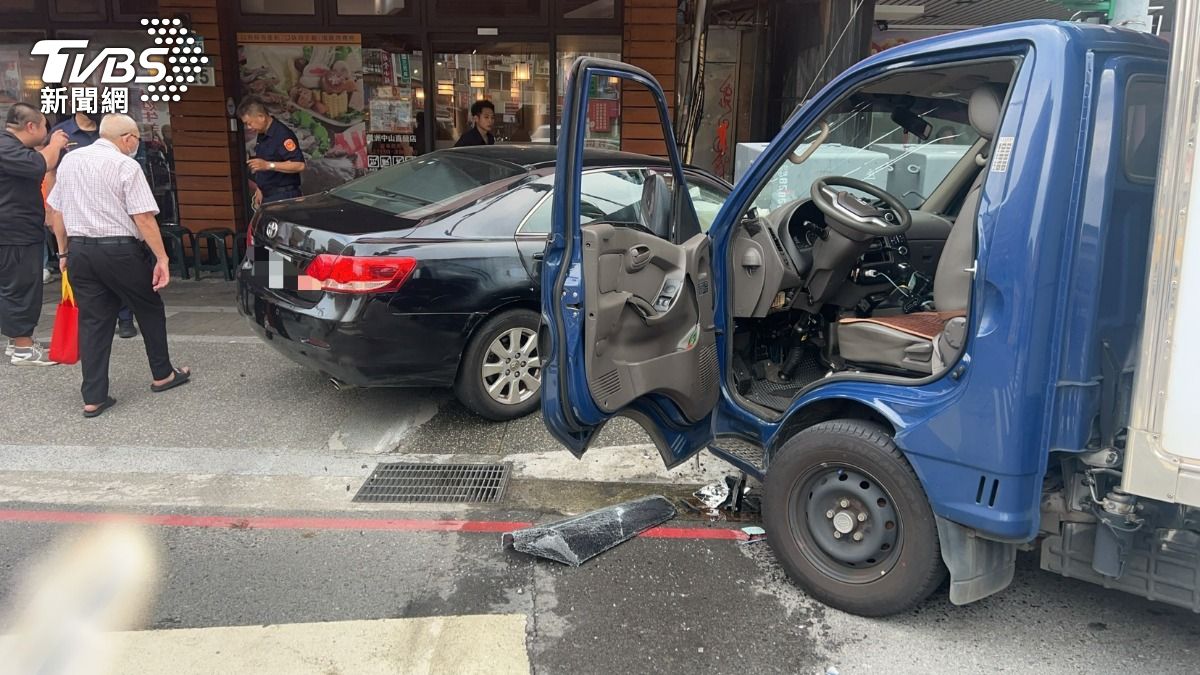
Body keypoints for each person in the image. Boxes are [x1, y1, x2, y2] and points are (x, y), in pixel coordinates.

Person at [47, 114, 191, 417]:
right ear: (128, 138)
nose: (136, 144)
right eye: (136, 138)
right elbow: (143, 217)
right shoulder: (126, 165)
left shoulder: (70, 160)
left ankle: (93, 396)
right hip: (120, 251)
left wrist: (62, 253)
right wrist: (162, 258)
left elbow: (56, 212)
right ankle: (163, 373)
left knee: (94, 322)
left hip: (80, 250)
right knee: (148, 307)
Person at [47, 109, 139, 339]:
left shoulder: (110, 130)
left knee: (121, 280)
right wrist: (61, 247)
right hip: (82, 225)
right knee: (95, 299)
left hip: (115, 225)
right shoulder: (62, 134)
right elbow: (51, 175)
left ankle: (125, 319)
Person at [1, 103, 68, 366]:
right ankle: (23, 348)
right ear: (31, 126)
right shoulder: (6, 147)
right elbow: (42, 164)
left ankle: (18, 340)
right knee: (21, 287)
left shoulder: (12, 148)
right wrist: (56, 143)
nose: (46, 133)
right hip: (14, 232)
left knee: (17, 286)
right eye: (44, 127)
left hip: (16, 230)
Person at [237, 96, 306, 207]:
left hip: (284, 196)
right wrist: (260, 188)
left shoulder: (282, 134)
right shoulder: (262, 134)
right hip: (268, 195)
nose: (248, 127)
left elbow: (299, 165)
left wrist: (268, 165)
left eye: (249, 123)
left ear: (261, 117)